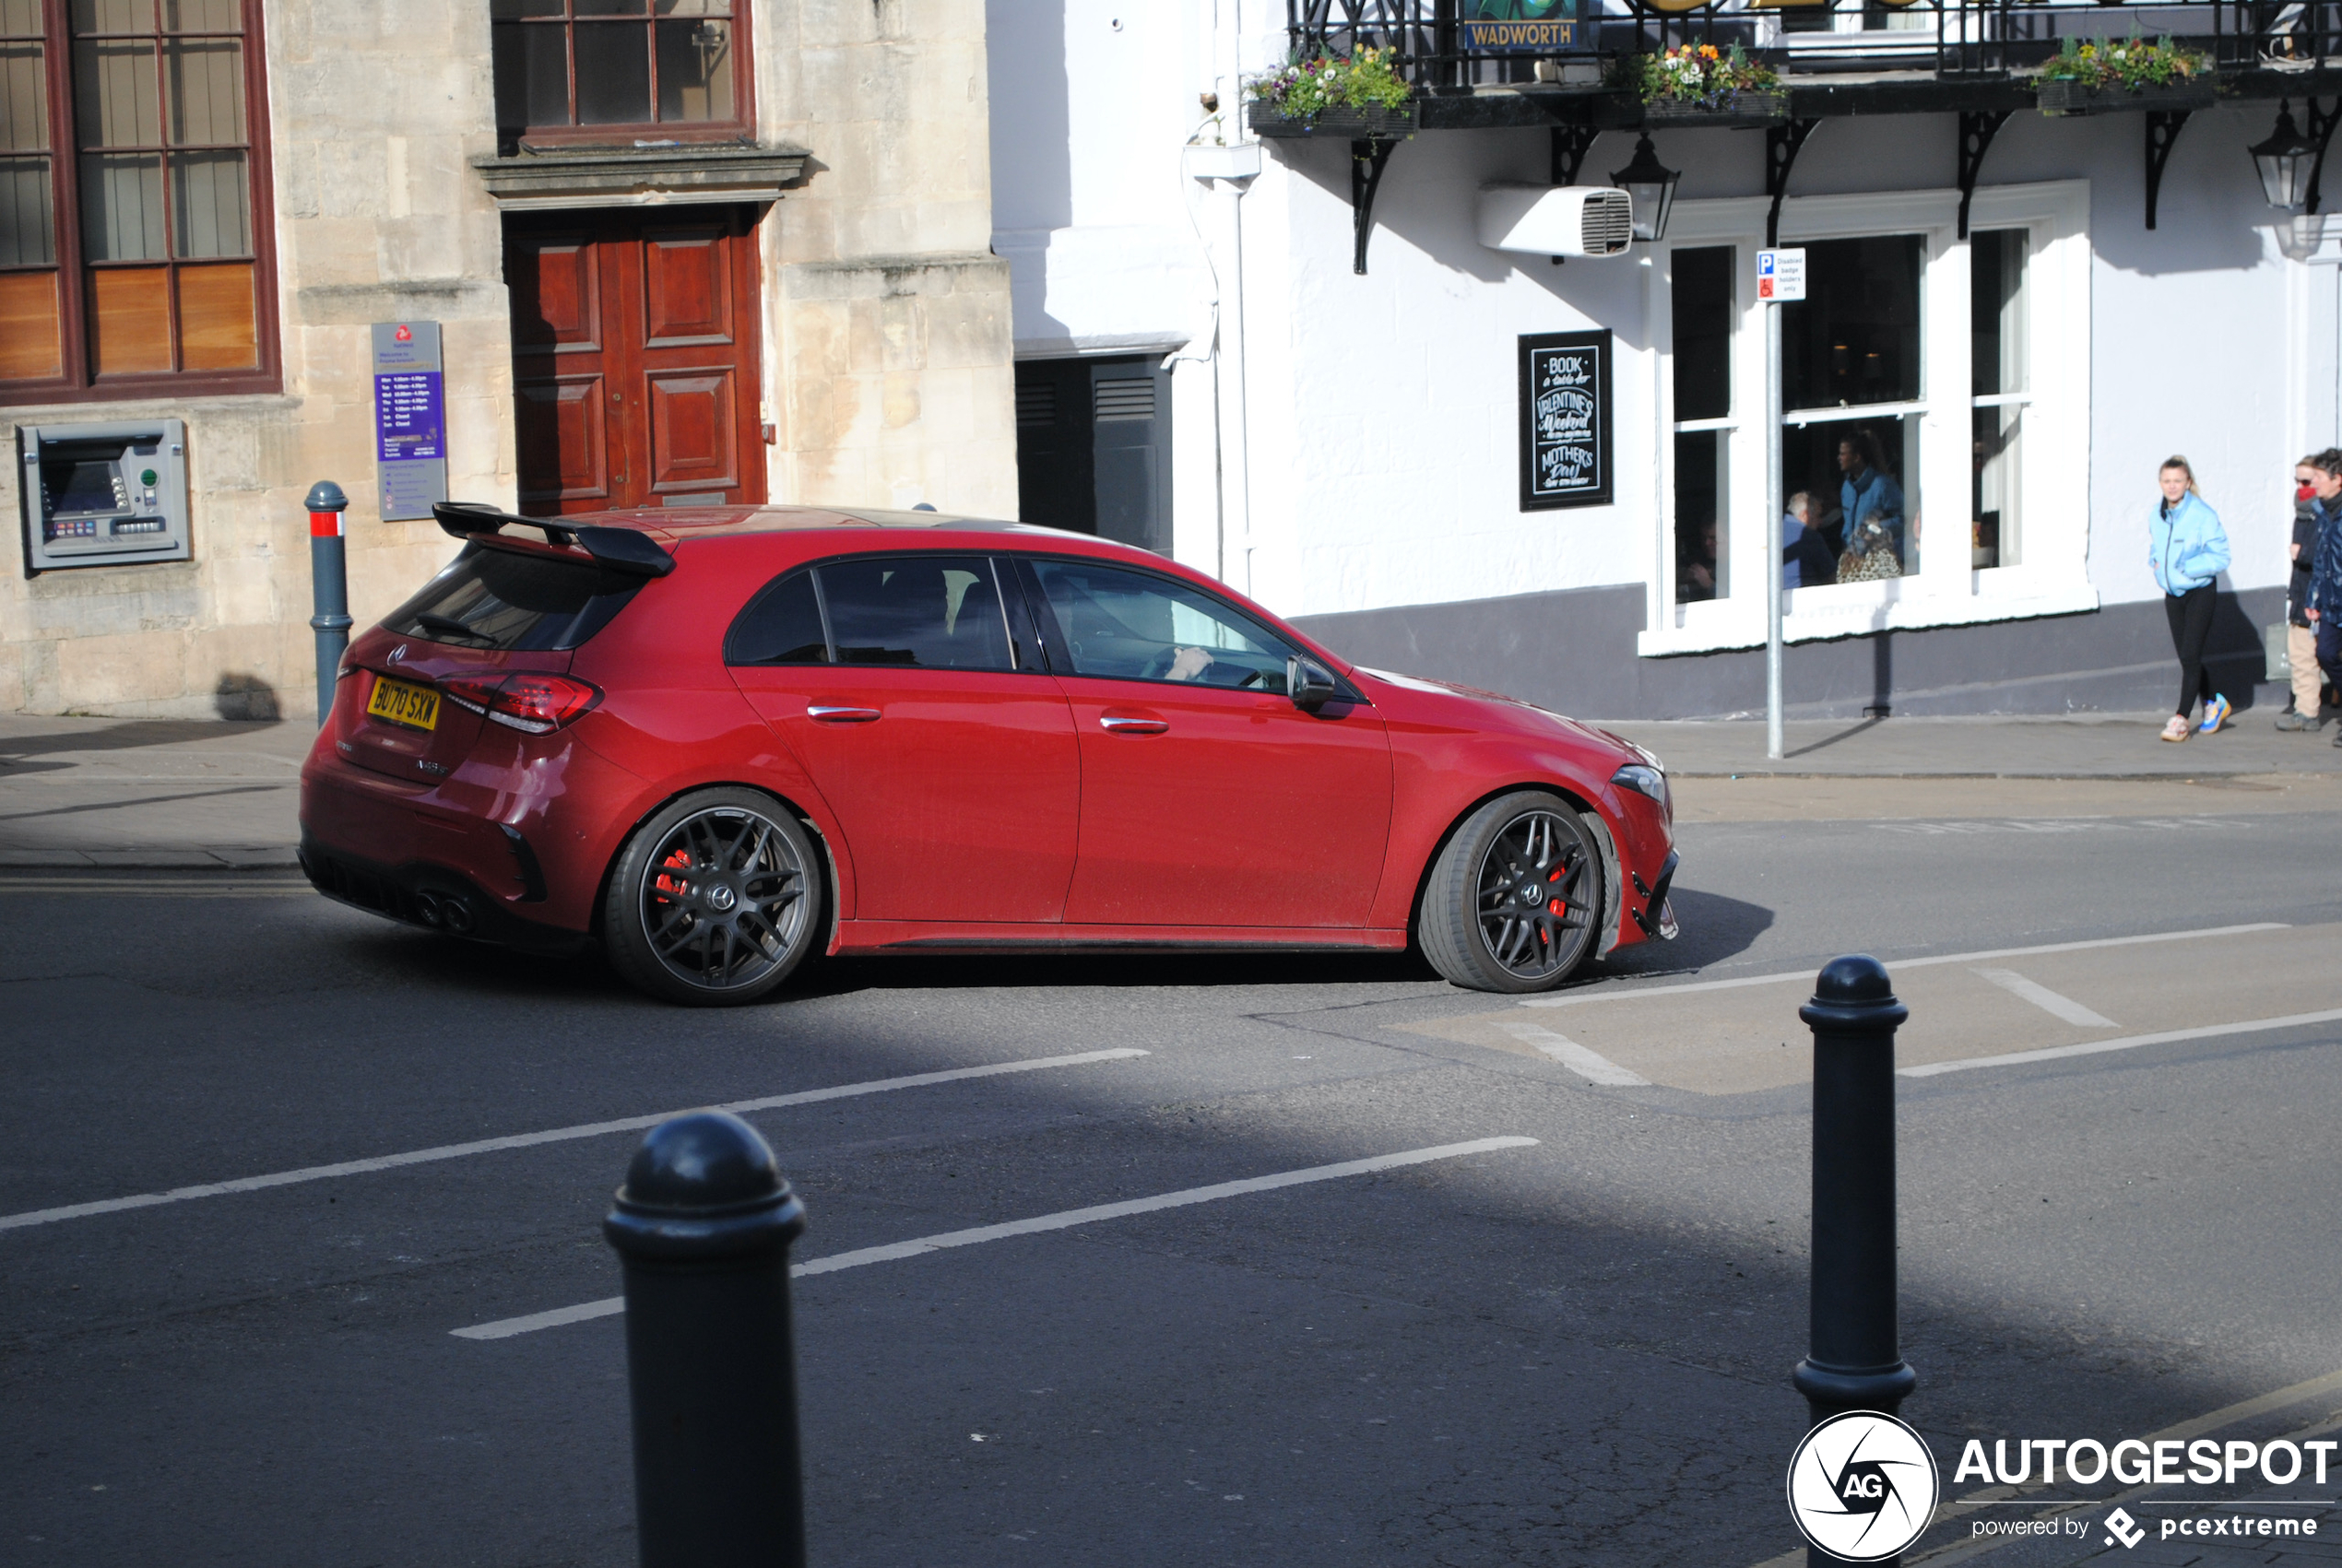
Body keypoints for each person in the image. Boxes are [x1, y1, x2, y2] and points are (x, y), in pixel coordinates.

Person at [2147, 454, 2231, 743]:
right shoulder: (2156, 515)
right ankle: (2214, 703)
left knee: (2191, 654)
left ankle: (2181, 718)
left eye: (2178, 481)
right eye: (2167, 481)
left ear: (2188, 483)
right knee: (2187, 656)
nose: (2172, 487)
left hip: (2200, 591)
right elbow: (2157, 548)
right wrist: (2157, 566)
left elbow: (2221, 556)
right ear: (2161, 483)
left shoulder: (2203, 515)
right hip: (2172, 593)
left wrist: (2187, 568)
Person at [2277, 456, 2324, 730]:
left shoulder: (2326, 513)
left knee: (2323, 654)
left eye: (2306, 481)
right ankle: (2306, 711)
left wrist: (2303, 554)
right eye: (2297, 481)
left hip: (2320, 596)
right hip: (2301, 593)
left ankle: (2308, 711)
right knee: (2301, 655)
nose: (2300, 487)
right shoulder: (2302, 513)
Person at [2304, 447, 2342, 745]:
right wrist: (2312, 599)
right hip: (2330, 600)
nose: (2313, 482)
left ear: (2337, 479)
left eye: (2318, 477)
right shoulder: (2321, 512)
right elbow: (2320, 560)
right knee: (2326, 654)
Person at [1839, 432, 1905, 560]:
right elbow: (1847, 526)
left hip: (1876, 559)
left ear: (1857, 457)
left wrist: (1876, 528)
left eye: (1843, 454)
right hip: (1851, 559)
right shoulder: (1846, 487)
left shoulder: (1883, 485)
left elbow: (1904, 520)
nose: (1839, 458)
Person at [1780, 492, 1834, 590]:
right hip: (1803, 599)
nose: (1821, 521)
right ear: (1805, 515)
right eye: (1819, 515)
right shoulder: (1810, 537)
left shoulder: (1771, 530)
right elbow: (1831, 576)